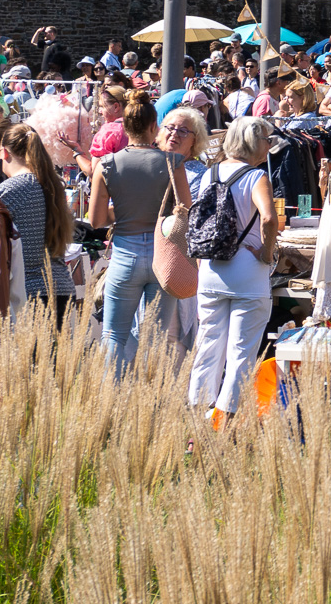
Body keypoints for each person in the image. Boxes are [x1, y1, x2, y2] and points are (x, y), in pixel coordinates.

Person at [185, 117, 280, 428]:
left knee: (207, 346)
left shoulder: (209, 172)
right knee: (240, 352)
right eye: (267, 139)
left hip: (211, 269)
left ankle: (196, 422)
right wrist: (266, 254)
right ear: (255, 142)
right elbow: (268, 218)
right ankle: (224, 423)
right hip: (247, 274)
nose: (270, 145)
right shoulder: (256, 177)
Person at [88, 89, 176, 373]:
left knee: (114, 335)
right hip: (163, 258)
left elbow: (96, 220)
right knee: (157, 338)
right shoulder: (173, 163)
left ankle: (111, 400)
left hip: (125, 255)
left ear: (124, 128)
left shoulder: (107, 164)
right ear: (155, 126)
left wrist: (124, 211)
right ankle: (151, 400)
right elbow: (184, 210)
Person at [0, 122, 76, 325]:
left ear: (4, 152)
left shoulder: (13, 189)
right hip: (61, 287)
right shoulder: (50, 183)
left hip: (31, 291)